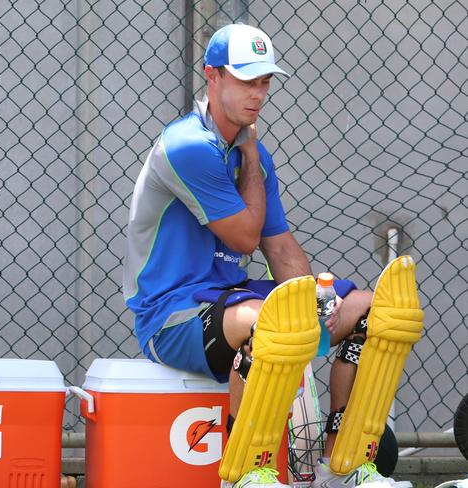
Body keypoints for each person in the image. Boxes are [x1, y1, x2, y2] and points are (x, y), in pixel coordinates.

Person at [123, 23, 417, 488]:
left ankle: (345, 464)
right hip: (172, 315)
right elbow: (245, 238)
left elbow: (279, 246)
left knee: (374, 312)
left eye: (264, 82)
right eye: (245, 80)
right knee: (272, 322)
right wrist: (254, 158)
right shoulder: (188, 147)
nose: (257, 93)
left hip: (235, 299)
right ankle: (248, 473)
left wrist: (315, 304)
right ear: (212, 76)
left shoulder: (247, 152)